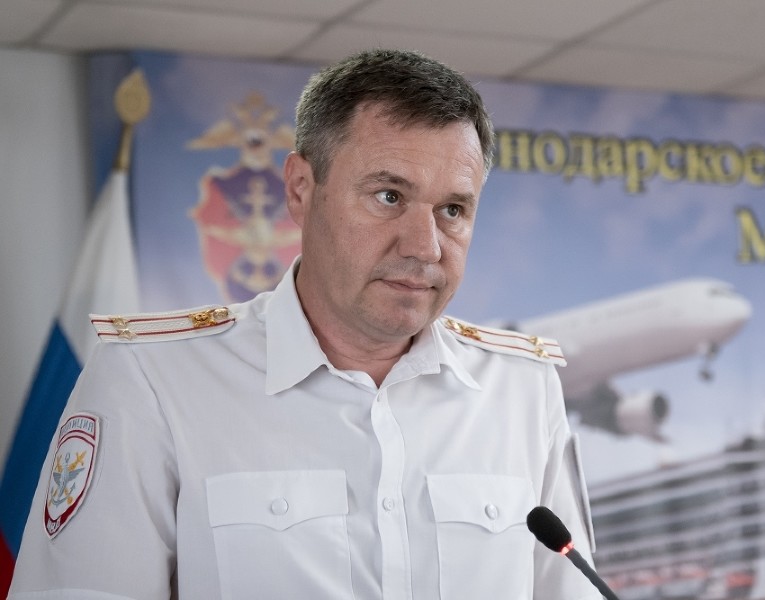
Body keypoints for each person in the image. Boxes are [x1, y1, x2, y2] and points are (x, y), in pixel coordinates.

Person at [10, 49, 599, 600]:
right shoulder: (152, 379)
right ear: (300, 190)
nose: (425, 246)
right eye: (389, 196)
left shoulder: (522, 390)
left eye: (453, 210)